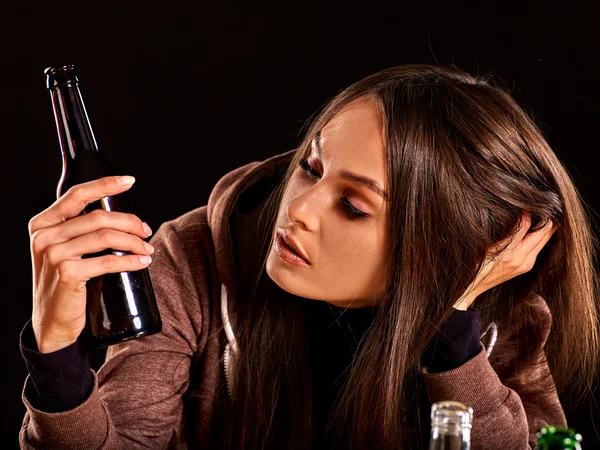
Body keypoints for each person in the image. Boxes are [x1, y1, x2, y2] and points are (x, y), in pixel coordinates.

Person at [19, 63, 599, 450]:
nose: (295, 211)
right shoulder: (191, 258)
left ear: (444, 245)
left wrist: (452, 335)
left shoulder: (499, 309)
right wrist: (57, 358)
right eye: (310, 168)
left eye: (352, 205)